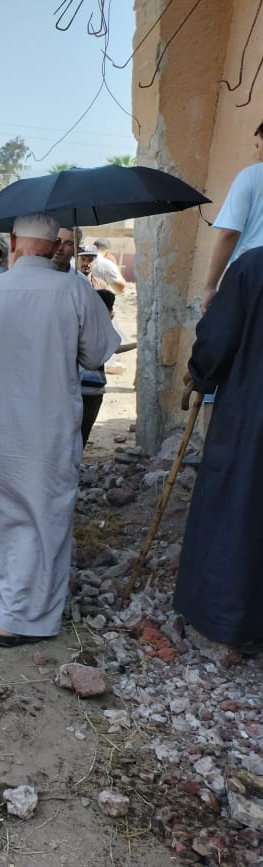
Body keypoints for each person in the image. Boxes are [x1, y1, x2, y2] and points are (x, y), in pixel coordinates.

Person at [0, 213, 119, 646]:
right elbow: (98, 354)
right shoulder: (74, 289)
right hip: (44, 428)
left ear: (13, 241)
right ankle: (17, 617)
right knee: (40, 516)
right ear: (54, 247)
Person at [174, 245, 263, 650]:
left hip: (253, 412)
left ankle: (231, 621)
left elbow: (218, 337)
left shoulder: (254, 265)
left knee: (240, 509)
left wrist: (201, 372)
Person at [200, 120, 263, 313]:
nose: (255, 151)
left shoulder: (251, 176)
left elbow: (229, 233)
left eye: (258, 144)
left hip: (253, 272)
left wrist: (210, 286)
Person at [79, 289, 138, 447]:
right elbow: (114, 347)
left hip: (75, 387)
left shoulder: (80, 321)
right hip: (92, 389)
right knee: (83, 431)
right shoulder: (98, 326)